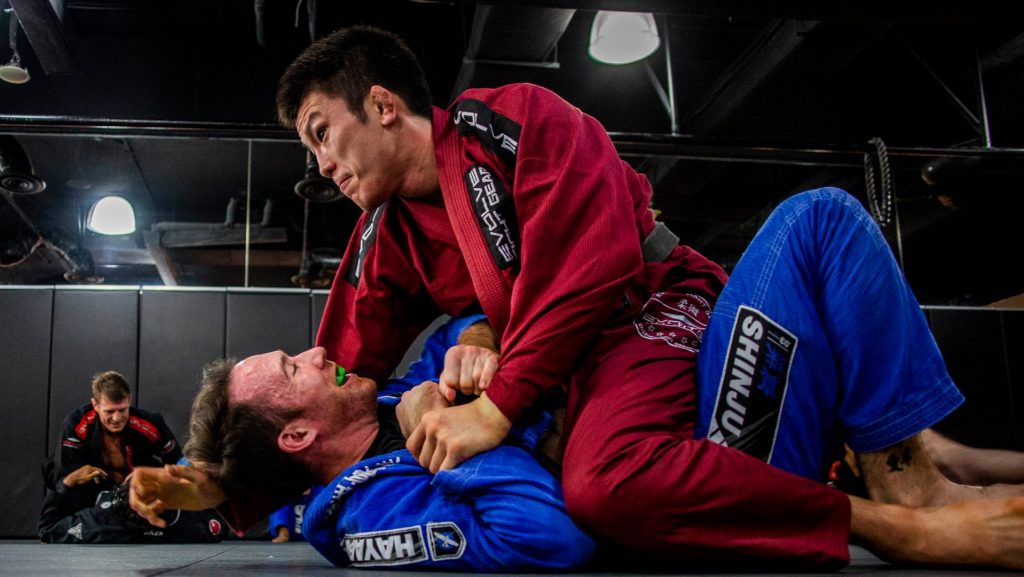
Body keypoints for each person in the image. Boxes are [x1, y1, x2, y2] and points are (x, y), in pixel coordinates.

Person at [130, 25, 1024, 570]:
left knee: (816, 218)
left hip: (653, 312)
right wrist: (221, 478)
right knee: (603, 480)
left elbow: (593, 262)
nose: (321, 164)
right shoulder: (387, 234)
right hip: (587, 378)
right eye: (311, 149)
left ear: (385, 104)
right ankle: (904, 452)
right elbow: (334, 382)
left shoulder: (510, 118)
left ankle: (909, 488)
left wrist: (499, 399)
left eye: (323, 133)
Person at [132, 315, 593, 571]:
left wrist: (474, 343)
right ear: (297, 436)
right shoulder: (373, 514)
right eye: (293, 369)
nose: (316, 353)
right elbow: (548, 537)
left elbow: (456, 328)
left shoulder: (393, 398)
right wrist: (444, 430)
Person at [40, 370, 224, 543]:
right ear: (95, 405)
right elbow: (63, 480)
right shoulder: (77, 424)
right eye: (109, 411)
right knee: (57, 473)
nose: (117, 418)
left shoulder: (149, 424)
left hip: (139, 493)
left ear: (129, 400)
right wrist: (71, 481)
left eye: (122, 410)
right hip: (97, 496)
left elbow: (179, 464)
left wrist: (181, 491)